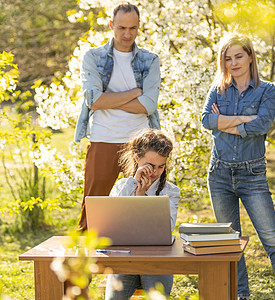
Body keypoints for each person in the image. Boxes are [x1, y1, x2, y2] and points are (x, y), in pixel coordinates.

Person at [201, 33, 275, 300]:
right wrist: (244, 121)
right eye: (227, 58)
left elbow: (262, 125)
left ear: (250, 57)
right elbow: (206, 121)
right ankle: (241, 296)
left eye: (238, 56)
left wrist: (224, 121)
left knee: (272, 240)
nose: (233, 62)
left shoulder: (266, 89)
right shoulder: (218, 89)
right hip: (219, 174)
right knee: (231, 244)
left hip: (252, 175)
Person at [74, 2, 161, 231]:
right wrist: (134, 94)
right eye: (121, 28)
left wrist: (110, 99)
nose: (127, 34)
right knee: (93, 210)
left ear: (139, 26)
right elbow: (94, 101)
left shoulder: (149, 60)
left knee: (141, 210)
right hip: (103, 138)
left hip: (140, 145)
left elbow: (149, 105)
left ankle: (139, 265)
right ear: (111, 25)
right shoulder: (93, 57)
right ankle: (88, 264)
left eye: (132, 28)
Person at [104, 129, 180, 299]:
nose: (155, 172)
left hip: (157, 260)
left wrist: (141, 198)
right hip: (125, 260)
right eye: (150, 165)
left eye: (161, 166)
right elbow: (113, 220)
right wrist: (134, 186)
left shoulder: (171, 192)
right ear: (137, 158)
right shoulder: (122, 187)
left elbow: (165, 229)